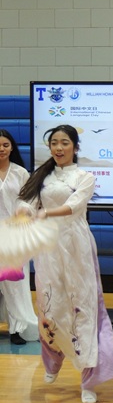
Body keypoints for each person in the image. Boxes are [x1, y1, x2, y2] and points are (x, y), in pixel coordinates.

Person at [17, 124, 113, 403]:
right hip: (48, 246)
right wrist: (25, 212)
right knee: (49, 304)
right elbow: (26, 203)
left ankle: (89, 379)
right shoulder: (41, 176)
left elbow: (75, 206)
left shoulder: (84, 177)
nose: (59, 148)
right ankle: (53, 360)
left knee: (83, 306)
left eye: (64, 142)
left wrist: (46, 213)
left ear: (75, 147)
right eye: (54, 143)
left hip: (76, 245)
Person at [0, 129, 39, 345]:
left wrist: (23, 210)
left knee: (15, 284)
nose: (1, 149)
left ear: (12, 147)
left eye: (5, 145)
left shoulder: (20, 173)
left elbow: (30, 199)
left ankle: (18, 328)